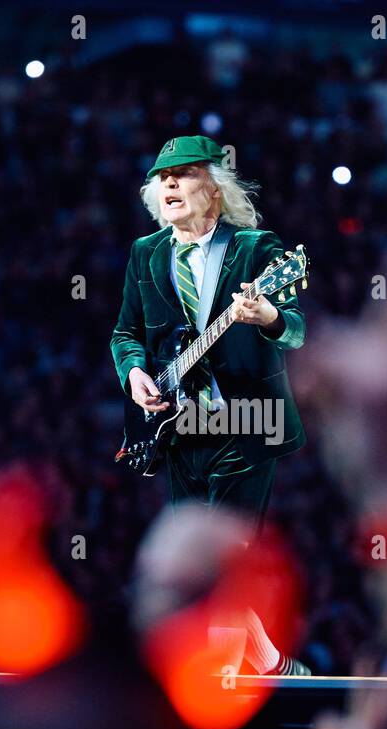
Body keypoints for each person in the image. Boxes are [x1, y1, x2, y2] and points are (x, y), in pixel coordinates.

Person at [110, 135, 306, 524]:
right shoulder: (145, 251)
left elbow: (296, 332)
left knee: (232, 550)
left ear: (216, 189)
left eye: (184, 174)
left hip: (246, 422)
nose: (169, 183)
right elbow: (125, 333)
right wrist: (133, 373)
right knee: (192, 561)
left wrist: (268, 316)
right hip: (178, 427)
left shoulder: (254, 248)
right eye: (163, 177)